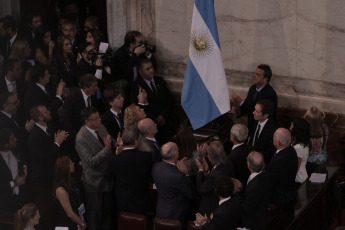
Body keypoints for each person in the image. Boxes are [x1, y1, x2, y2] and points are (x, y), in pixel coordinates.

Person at [75, 107, 115, 230]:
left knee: (108, 213)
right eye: (96, 118)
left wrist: (117, 143)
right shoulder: (81, 138)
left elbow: (110, 140)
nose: (100, 120)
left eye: (99, 117)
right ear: (87, 122)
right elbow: (90, 161)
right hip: (94, 182)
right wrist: (106, 150)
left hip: (108, 177)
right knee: (95, 216)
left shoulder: (100, 127)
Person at [108, 126, 153, 214]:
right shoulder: (146, 157)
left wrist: (117, 155)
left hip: (123, 202)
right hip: (141, 201)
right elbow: (149, 176)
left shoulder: (114, 160)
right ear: (136, 141)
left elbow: (108, 178)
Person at [130, 58, 172, 143]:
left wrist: (163, 115)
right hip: (150, 125)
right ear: (141, 72)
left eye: (152, 67)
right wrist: (156, 118)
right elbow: (138, 108)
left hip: (166, 121)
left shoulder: (160, 81)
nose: (151, 70)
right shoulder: (137, 86)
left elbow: (169, 99)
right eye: (147, 69)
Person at [152, 142, 196, 221]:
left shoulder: (156, 167)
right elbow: (191, 194)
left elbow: (168, 172)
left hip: (160, 211)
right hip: (175, 215)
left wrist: (175, 165)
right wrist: (186, 175)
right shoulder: (179, 176)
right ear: (175, 156)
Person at [28, 105, 68, 189]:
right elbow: (44, 157)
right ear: (40, 118)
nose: (49, 111)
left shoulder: (49, 126)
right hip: (44, 178)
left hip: (54, 171)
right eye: (46, 112)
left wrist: (60, 141)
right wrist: (57, 143)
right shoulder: (34, 136)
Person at [232, 151, 272, 230]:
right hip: (262, 216)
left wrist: (236, 191)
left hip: (252, 224)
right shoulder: (265, 175)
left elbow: (245, 208)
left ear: (249, 165)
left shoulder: (255, 185)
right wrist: (241, 187)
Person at [232, 64, 277, 131]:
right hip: (251, 127)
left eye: (258, 75)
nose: (254, 76)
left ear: (265, 79)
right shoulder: (253, 89)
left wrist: (240, 101)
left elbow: (256, 112)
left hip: (262, 130)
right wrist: (237, 112)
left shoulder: (270, 94)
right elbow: (246, 107)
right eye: (254, 73)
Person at [195, 141, 235, 216]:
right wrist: (207, 172)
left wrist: (200, 170)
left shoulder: (214, 176)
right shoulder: (228, 163)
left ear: (210, 156)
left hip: (211, 209)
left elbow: (201, 189)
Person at [23, 64, 65, 131]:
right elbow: (47, 112)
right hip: (47, 128)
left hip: (54, 124)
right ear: (41, 78)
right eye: (47, 74)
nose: (49, 75)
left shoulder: (45, 86)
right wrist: (58, 96)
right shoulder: (33, 93)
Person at [52, 156, 87, 230]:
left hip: (76, 221)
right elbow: (70, 213)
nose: (73, 164)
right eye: (71, 163)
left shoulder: (71, 183)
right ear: (66, 167)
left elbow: (78, 201)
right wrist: (81, 223)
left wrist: (81, 217)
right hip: (67, 225)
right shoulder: (60, 190)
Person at [268, 128, 298, 207]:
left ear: (278, 142)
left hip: (280, 198)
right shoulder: (291, 150)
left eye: (273, 137)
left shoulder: (280, 160)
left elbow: (272, 180)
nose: (273, 139)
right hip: (289, 192)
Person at [0, 128, 27, 211]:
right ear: (5, 144)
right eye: (12, 139)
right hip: (5, 203)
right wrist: (14, 183)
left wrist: (24, 167)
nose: (16, 139)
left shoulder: (15, 150)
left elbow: (22, 160)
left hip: (21, 198)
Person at [247, 99, 277, 167]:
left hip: (261, 165)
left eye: (257, 111)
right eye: (254, 109)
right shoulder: (256, 120)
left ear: (266, 115)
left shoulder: (273, 130)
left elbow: (269, 154)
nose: (253, 112)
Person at [303, 107, 328, 176]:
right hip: (322, 159)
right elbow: (325, 144)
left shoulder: (304, 131)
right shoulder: (324, 127)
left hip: (308, 161)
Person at [227, 124, 253, 189]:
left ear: (233, 137)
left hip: (237, 188)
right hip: (250, 184)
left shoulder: (231, 157)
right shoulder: (252, 149)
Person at [290, 118, 310, 184]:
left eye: (291, 126)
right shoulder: (303, 143)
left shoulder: (298, 147)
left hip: (298, 179)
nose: (290, 128)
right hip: (301, 177)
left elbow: (296, 167)